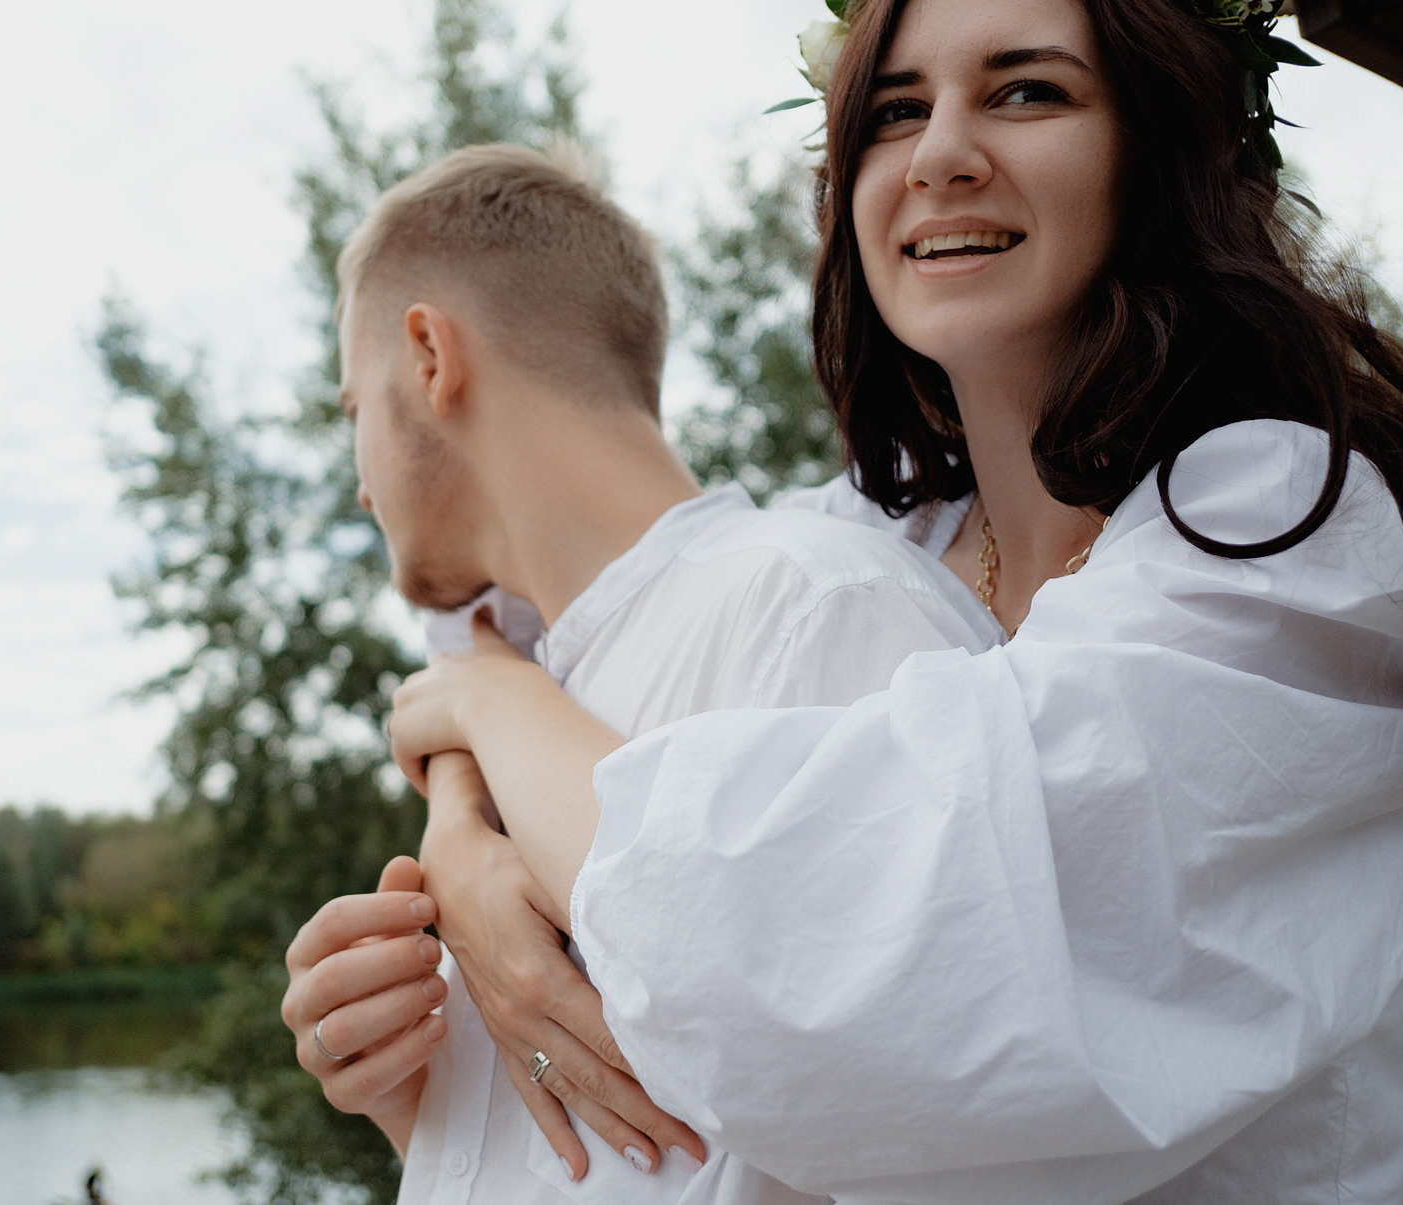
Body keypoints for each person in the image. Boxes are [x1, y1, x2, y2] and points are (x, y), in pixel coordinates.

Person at [370, 0, 1403, 1203]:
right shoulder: (873, 537)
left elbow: (853, 960)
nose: (940, 154)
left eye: (1027, 91)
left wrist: (491, 702)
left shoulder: (1284, 534)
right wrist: (464, 854)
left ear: (1156, 150)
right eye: (896, 110)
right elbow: (582, 642)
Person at [276, 141, 1000, 1202]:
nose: (358, 488)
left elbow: (938, 1126)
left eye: (352, 412)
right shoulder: (523, 707)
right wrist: (417, 1099)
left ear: (427, 355)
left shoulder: (816, 615)